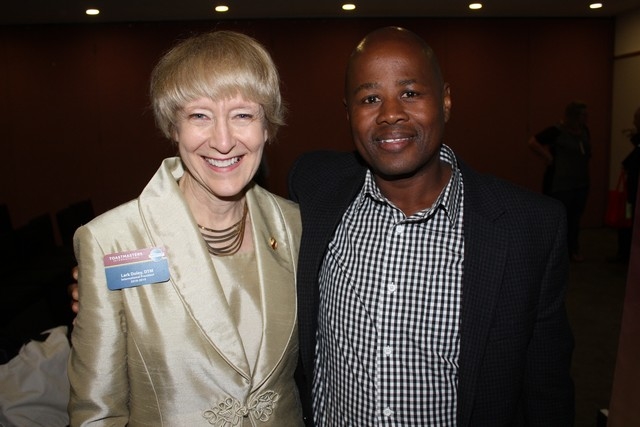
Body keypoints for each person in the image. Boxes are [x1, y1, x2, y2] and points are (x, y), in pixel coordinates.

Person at [288, 26, 574, 425]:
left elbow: (547, 388)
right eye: (370, 98)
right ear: (348, 113)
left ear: (445, 100)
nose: (390, 113)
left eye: (410, 93)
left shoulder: (529, 229)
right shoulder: (314, 185)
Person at [67, 31, 304, 426]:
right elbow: (97, 413)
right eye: (199, 116)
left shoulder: (296, 226)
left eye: (243, 115)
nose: (223, 141)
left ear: (267, 127)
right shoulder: (111, 242)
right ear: (173, 128)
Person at [528, 101, 591, 262]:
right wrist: (548, 156)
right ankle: (555, 252)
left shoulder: (584, 131)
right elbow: (533, 141)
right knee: (559, 219)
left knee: (575, 218)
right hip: (561, 184)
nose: (586, 118)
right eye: (583, 115)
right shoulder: (557, 131)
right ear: (574, 116)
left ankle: (573, 249)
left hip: (580, 182)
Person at [613, 106, 640, 262]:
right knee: (627, 219)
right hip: (631, 194)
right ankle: (624, 252)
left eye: (636, 118)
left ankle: (626, 252)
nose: (633, 122)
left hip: (634, 194)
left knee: (630, 221)